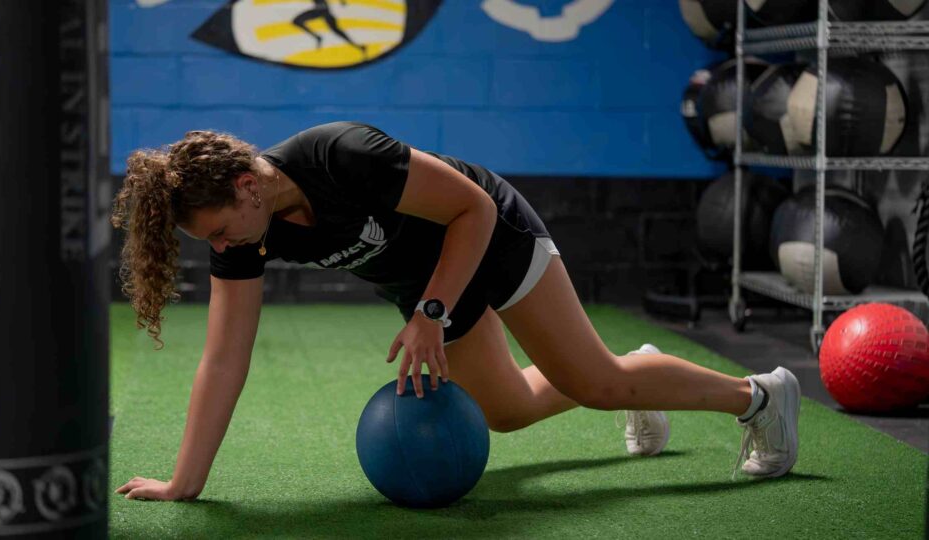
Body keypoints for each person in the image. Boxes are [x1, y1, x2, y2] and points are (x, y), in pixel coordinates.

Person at [111, 121, 802, 501]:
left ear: (244, 186)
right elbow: (225, 357)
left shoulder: (343, 154)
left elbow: (468, 209)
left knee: (593, 381)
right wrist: (184, 482)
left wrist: (432, 312)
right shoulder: (249, 234)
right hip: (424, 282)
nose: (221, 247)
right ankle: (643, 374)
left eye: (219, 230)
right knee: (503, 411)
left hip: (490, 232)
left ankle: (761, 398)